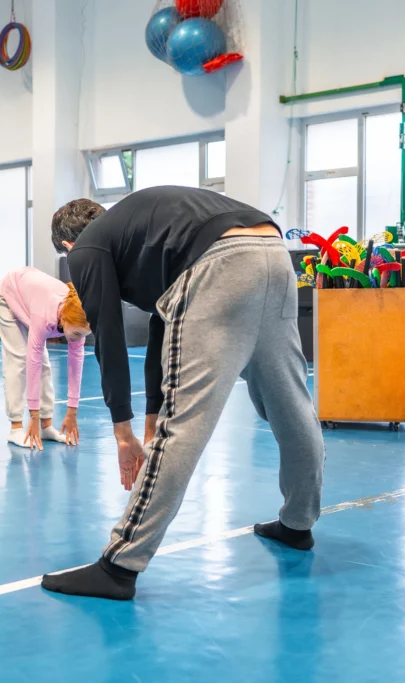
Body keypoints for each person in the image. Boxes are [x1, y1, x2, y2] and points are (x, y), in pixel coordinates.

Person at [40, 187, 325, 601]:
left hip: (222, 266)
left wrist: (124, 433)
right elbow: (164, 321)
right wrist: (150, 417)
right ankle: (298, 524)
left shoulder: (86, 248)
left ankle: (119, 566)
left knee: (184, 427)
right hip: (275, 253)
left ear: (68, 245)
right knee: (291, 405)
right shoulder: (139, 229)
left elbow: (108, 335)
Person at [0, 267, 90, 450]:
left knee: (45, 364)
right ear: (63, 319)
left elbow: (75, 367)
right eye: (76, 334)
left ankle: (46, 427)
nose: (78, 339)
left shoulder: (78, 322)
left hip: (31, 296)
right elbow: (33, 361)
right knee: (19, 358)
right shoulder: (44, 316)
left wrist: (72, 412)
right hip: (8, 294)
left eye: (82, 335)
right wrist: (33, 416)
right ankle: (15, 427)